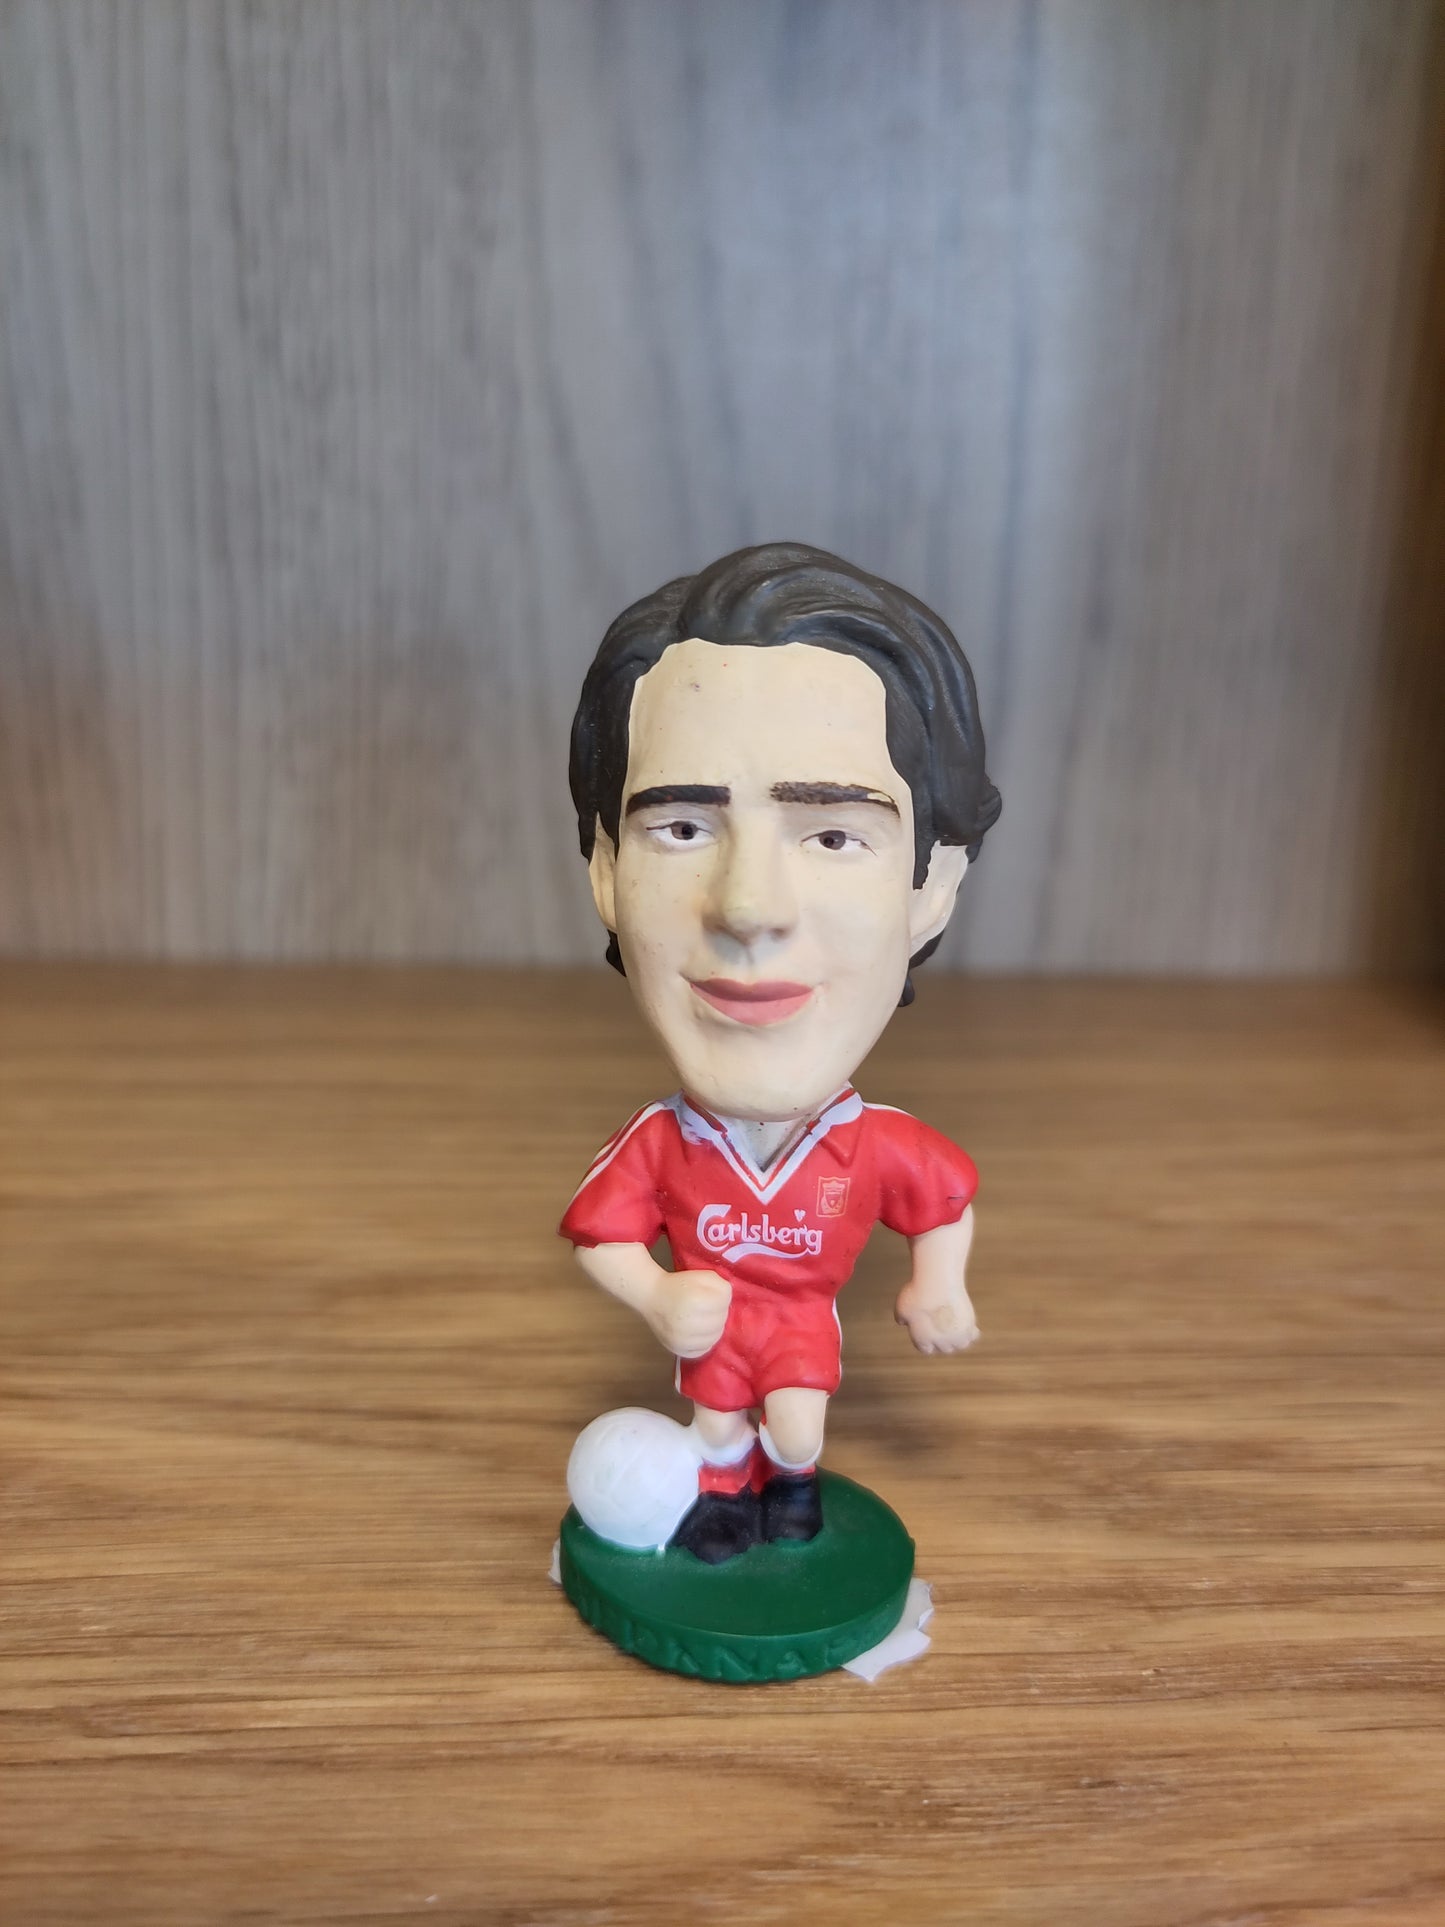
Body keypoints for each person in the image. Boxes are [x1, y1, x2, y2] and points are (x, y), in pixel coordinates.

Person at [561, 543, 1000, 1562]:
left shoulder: (874, 1145)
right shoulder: (664, 1144)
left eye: (832, 835)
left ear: (933, 884)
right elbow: (602, 1235)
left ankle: (790, 1487)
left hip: (797, 1331)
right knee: (718, 1424)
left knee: (795, 1428)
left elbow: (939, 1204)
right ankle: (725, 1499)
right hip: (715, 1345)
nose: (748, 907)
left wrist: (937, 1285)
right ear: (606, 873)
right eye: (680, 828)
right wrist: (659, 1295)